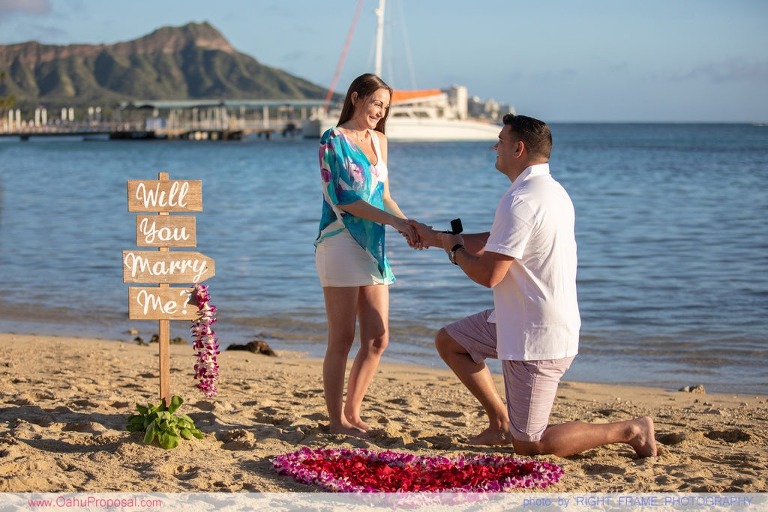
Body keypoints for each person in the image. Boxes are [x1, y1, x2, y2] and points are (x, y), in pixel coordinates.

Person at [410, 114, 656, 458]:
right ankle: (500, 422)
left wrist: (454, 250)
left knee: (530, 444)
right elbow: (500, 241)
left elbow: (489, 275)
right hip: (519, 317)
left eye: (500, 140)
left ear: (518, 148)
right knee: (451, 342)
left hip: (537, 336)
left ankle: (631, 430)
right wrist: (439, 238)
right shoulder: (549, 191)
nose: (494, 146)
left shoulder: (521, 200)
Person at [314, 73, 418, 436]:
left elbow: (384, 194)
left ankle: (353, 413)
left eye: (385, 107)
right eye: (376, 103)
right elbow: (345, 199)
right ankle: (335, 421)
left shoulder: (380, 140)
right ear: (356, 98)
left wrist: (409, 225)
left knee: (377, 337)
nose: (380, 112)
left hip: (374, 245)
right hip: (340, 242)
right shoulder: (333, 140)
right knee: (341, 338)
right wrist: (395, 222)